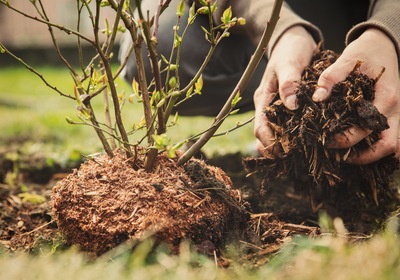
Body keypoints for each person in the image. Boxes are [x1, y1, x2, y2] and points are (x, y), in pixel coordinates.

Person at [119, 0, 400, 164]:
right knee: (149, 50)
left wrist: (388, 32)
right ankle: (291, 107)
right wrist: (281, 29)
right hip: (289, 10)